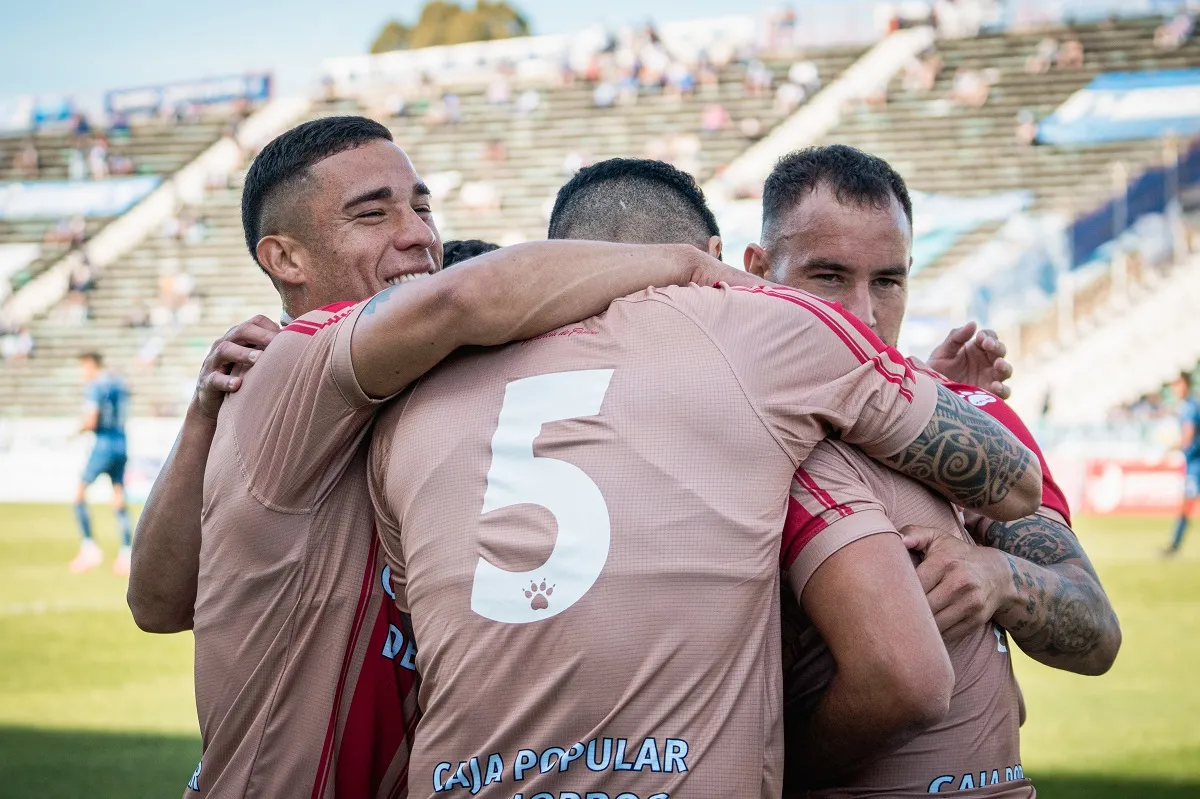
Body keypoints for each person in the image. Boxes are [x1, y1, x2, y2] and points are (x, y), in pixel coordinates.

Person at [126, 116, 763, 799]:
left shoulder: (430, 394)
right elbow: (158, 602)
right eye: (373, 214)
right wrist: (692, 267)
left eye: (423, 207)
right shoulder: (293, 362)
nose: (419, 234)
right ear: (286, 259)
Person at [369, 158, 1041, 799]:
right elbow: (1014, 486)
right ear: (723, 259)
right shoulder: (769, 338)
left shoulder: (414, 401)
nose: (859, 307)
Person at [743, 145, 1120, 788]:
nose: (863, 315)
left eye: (888, 281)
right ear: (758, 270)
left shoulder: (967, 420)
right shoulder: (704, 405)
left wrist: (1002, 578)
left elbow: (1097, 634)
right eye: (828, 277)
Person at [72, 352, 132, 576]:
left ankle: (89, 548)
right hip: (122, 443)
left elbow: (91, 419)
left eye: (82, 367)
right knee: (118, 497)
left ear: (90, 364)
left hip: (103, 445)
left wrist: (75, 432)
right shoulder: (117, 383)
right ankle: (127, 552)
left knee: (78, 495)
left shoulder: (95, 386)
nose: (82, 372)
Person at [1167, 372, 1200, 555]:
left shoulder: (1189, 407)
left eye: (1177, 384)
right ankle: (1174, 544)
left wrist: (1170, 448)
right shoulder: (1192, 405)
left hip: (1196, 465)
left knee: (1186, 506)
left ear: (1185, 384)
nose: (1174, 389)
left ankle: (1174, 545)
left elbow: (1187, 438)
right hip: (1194, 463)